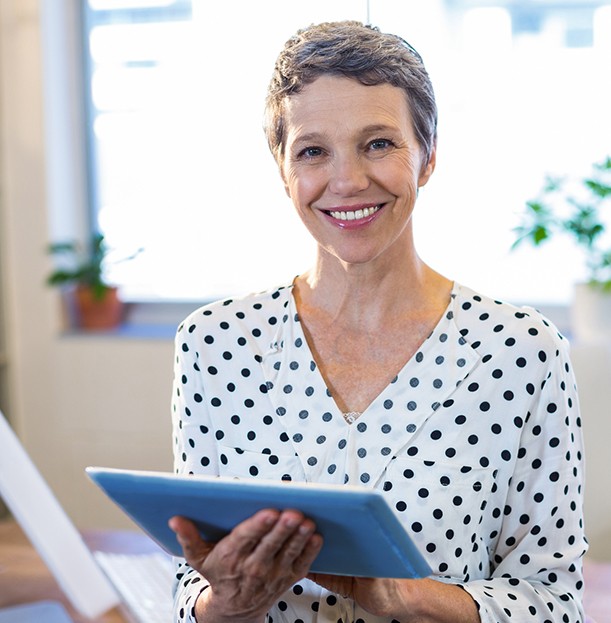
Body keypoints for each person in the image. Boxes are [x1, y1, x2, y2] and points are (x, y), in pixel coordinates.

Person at [168, 20, 587, 623]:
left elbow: (554, 602)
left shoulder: (522, 352)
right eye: (313, 151)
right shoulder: (214, 344)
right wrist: (226, 605)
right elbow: (189, 585)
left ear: (428, 156)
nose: (347, 181)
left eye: (378, 143)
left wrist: (407, 596)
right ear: (283, 172)